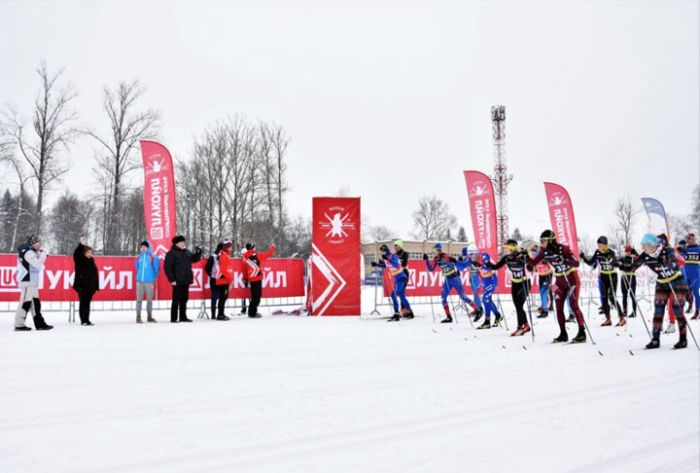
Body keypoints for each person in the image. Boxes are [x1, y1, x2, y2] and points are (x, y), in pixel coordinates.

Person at [526, 230, 587, 343]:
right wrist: (525, 255)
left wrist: (564, 259)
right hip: (559, 280)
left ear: (551, 240)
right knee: (558, 307)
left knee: (574, 305)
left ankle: (582, 332)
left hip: (571, 278)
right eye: (541, 241)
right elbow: (533, 263)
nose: (542, 243)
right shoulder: (544, 251)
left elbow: (576, 263)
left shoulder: (563, 248)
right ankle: (563, 333)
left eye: (543, 241)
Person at [633, 233, 689, 349]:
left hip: (677, 281)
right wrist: (621, 265)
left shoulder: (666, 250)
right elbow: (633, 266)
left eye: (644, 245)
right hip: (662, 282)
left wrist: (668, 263)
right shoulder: (646, 255)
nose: (643, 248)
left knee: (677, 309)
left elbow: (675, 262)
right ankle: (655, 340)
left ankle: (683, 339)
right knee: (658, 310)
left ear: (651, 244)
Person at [423, 242, 482, 324]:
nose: (434, 252)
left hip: (455, 278)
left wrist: (445, 261)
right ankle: (448, 316)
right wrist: (426, 260)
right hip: (447, 280)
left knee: (463, 297)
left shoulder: (445, 255)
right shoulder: (436, 258)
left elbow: (452, 264)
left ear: (438, 250)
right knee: (443, 297)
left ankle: (477, 310)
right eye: (434, 250)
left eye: (435, 250)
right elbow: (431, 269)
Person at [485, 239, 531, 336]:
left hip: (524, 282)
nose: (505, 250)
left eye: (506, 248)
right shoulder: (506, 258)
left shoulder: (519, 255)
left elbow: (530, 265)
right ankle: (526, 326)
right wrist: (486, 263)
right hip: (515, 283)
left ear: (512, 248)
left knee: (519, 306)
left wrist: (526, 256)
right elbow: (496, 267)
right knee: (518, 306)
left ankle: (520, 328)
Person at [580, 236, 624, 327]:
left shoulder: (610, 252)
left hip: (612, 275)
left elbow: (615, 263)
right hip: (602, 276)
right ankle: (608, 319)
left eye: (601, 244)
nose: (599, 246)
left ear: (605, 244)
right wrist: (583, 258)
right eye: (598, 244)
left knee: (612, 297)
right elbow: (591, 263)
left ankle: (621, 317)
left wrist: (611, 260)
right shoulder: (597, 252)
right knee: (603, 298)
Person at [14, 235, 53, 331]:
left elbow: (35, 259)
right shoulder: (27, 252)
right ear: (31, 243)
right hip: (27, 281)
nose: (39, 244)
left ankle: (40, 324)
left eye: (39, 242)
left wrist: (40, 254)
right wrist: (43, 254)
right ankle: (19, 324)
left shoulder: (30, 252)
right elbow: (38, 264)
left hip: (32, 281)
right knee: (25, 303)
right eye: (36, 242)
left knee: (36, 303)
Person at [164, 235, 202, 323]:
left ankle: (183, 317)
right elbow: (167, 268)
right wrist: (172, 280)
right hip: (177, 280)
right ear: (176, 243)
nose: (183, 244)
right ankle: (173, 318)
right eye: (181, 242)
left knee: (184, 299)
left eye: (183, 242)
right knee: (176, 300)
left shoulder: (186, 252)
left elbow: (194, 259)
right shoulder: (171, 253)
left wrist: (198, 252)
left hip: (186, 279)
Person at [372, 243, 413, 321]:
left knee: (393, 295)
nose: (382, 253)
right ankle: (409, 312)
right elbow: (386, 266)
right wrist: (376, 264)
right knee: (402, 297)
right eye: (381, 252)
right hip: (397, 279)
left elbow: (395, 265)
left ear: (386, 250)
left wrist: (386, 259)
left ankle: (396, 314)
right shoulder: (387, 257)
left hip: (402, 278)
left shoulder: (393, 256)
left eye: (383, 251)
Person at [242, 242, 276, 318]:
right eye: (254, 247)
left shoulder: (245, 258)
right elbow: (268, 254)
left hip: (252, 279)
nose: (255, 248)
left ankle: (252, 311)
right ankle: (252, 313)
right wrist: (272, 247)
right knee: (257, 297)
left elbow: (244, 270)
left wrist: (246, 278)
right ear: (252, 248)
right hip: (257, 278)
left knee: (255, 296)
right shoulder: (256, 255)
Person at [73, 237, 99, 326]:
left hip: (90, 286)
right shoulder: (80, 260)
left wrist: (96, 285)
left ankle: (87, 319)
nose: (90, 254)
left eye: (91, 252)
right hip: (82, 285)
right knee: (83, 302)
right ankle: (83, 320)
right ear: (84, 253)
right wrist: (81, 245)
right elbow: (76, 254)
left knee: (87, 303)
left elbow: (95, 274)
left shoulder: (91, 261)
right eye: (88, 252)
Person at [473, 252, 502, 329]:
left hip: (492, 282)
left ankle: (487, 321)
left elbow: (490, 270)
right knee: (488, 300)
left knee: (485, 299)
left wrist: (481, 268)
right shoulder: (476, 261)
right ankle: (498, 315)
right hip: (485, 282)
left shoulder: (487, 260)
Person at [135, 240, 160, 323]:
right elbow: (137, 267)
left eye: (145, 246)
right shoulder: (139, 257)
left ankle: (149, 316)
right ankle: (138, 316)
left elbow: (156, 269)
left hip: (149, 282)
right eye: (142, 247)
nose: (143, 248)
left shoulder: (153, 257)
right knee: (139, 300)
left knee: (149, 300)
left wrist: (152, 276)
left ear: (148, 247)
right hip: (140, 281)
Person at [679, 233, 699, 320]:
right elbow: (677, 258)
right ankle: (688, 306)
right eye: (688, 239)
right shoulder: (684, 249)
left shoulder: (698, 249)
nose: (690, 240)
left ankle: (697, 311)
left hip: (695, 275)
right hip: (685, 275)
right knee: (685, 293)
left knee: (695, 293)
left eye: (692, 239)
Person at [213, 240, 234, 321]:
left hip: (225, 279)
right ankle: (220, 315)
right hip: (223, 280)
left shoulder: (225, 255)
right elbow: (224, 270)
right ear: (227, 248)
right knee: (223, 298)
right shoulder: (223, 256)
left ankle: (221, 313)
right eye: (230, 246)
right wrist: (231, 280)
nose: (231, 248)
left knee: (223, 298)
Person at [205, 242, 225, 320]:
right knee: (216, 297)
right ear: (221, 249)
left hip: (219, 279)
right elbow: (207, 268)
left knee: (218, 298)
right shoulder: (214, 256)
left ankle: (218, 314)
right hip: (217, 279)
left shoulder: (223, 256)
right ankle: (215, 314)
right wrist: (212, 275)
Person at [617, 245, 638, 318]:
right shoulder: (623, 258)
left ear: (631, 251)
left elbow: (639, 260)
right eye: (626, 251)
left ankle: (634, 312)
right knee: (624, 295)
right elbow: (618, 263)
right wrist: (620, 266)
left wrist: (636, 254)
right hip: (624, 278)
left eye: (628, 251)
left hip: (631, 277)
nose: (627, 253)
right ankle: (625, 311)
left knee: (632, 295)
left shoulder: (633, 258)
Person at [465, 245, 484, 319]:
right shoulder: (470, 259)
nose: (471, 256)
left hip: (478, 278)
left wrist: (475, 268)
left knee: (477, 294)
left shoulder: (479, 259)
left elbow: (480, 269)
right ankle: (477, 309)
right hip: (473, 277)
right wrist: (470, 276)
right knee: (474, 294)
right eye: (469, 254)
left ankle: (480, 310)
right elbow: (469, 269)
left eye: (472, 254)